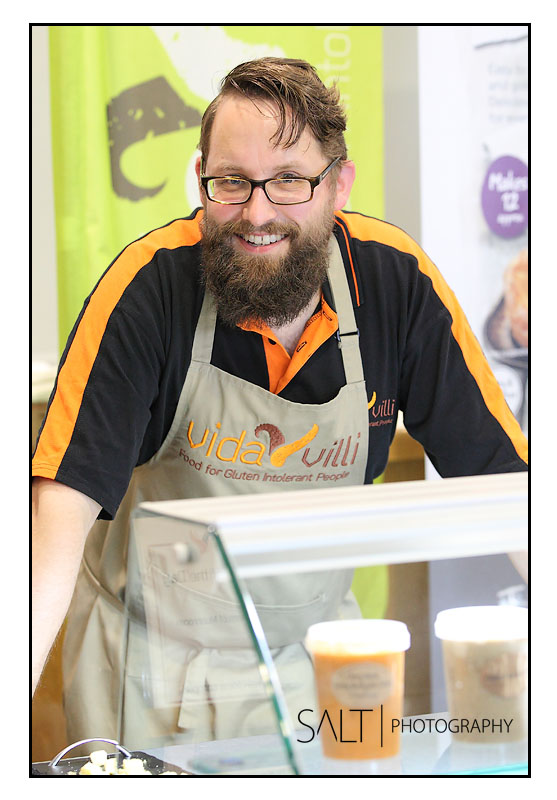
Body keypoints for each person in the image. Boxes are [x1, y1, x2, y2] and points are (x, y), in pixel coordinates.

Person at [32, 57, 528, 743]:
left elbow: (508, 489)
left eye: (290, 180)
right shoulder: (148, 290)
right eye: (231, 182)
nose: (257, 213)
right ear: (201, 175)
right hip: (149, 680)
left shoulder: (397, 285)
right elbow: (52, 539)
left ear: (338, 186)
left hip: (317, 664)